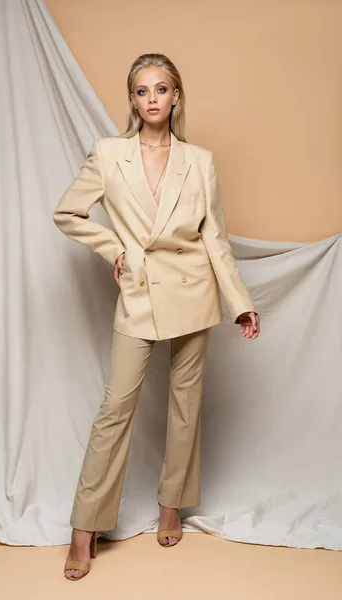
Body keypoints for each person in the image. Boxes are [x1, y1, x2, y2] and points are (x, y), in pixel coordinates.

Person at [53, 52, 261, 581]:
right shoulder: (108, 154)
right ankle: (85, 528)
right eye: (142, 91)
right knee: (115, 408)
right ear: (132, 99)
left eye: (161, 89)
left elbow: (214, 237)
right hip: (140, 291)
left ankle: (173, 504)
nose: (152, 99)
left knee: (186, 404)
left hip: (194, 290)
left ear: (176, 96)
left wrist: (241, 302)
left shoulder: (200, 160)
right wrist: (112, 247)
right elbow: (68, 213)